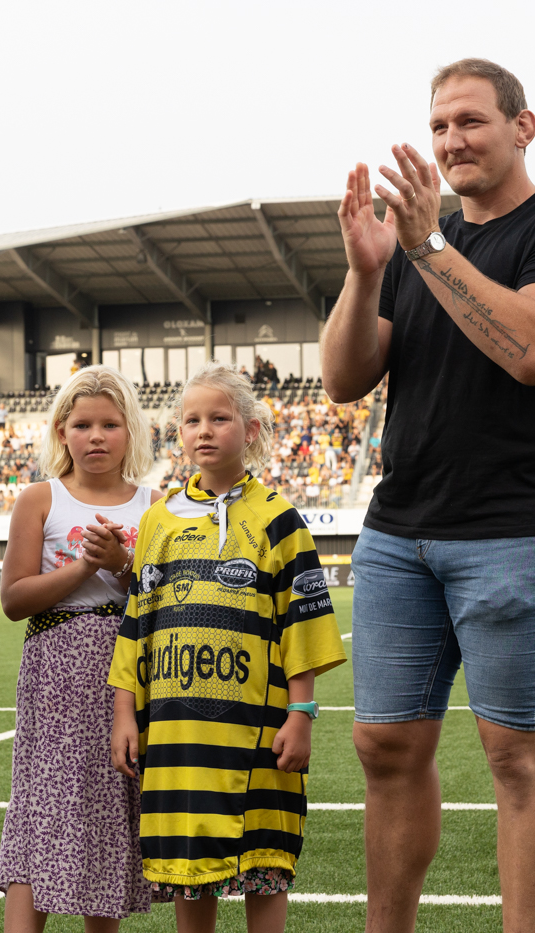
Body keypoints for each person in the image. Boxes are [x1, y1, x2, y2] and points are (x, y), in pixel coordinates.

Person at [321, 58, 535, 933]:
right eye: (439, 124)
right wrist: (369, 270)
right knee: (383, 745)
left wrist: (425, 248)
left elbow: (530, 349)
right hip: (399, 532)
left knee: (519, 759)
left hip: (521, 531)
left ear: (523, 127)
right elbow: (343, 378)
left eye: (472, 121)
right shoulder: (417, 248)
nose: (452, 139)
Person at [108, 361, 346, 933]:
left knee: (264, 861)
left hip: (259, 731)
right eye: (192, 420)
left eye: (220, 418)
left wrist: (302, 712)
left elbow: (302, 624)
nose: (204, 430)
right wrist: (123, 712)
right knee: (189, 866)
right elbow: (137, 623)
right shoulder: (159, 520)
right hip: (175, 735)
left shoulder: (279, 519)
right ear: (178, 433)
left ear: (252, 430)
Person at [0, 366, 159, 932]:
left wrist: (124, 565)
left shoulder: (154, 504)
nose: (96, 437)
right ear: (62, 431)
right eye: (83, 424)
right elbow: (15, 599)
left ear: (131, 432)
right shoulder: (40, 499)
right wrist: (86, 565)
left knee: (110, 810)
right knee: (40, 806)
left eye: (110, 425)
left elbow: (166, 599)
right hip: (56, 669)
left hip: (131, 673)